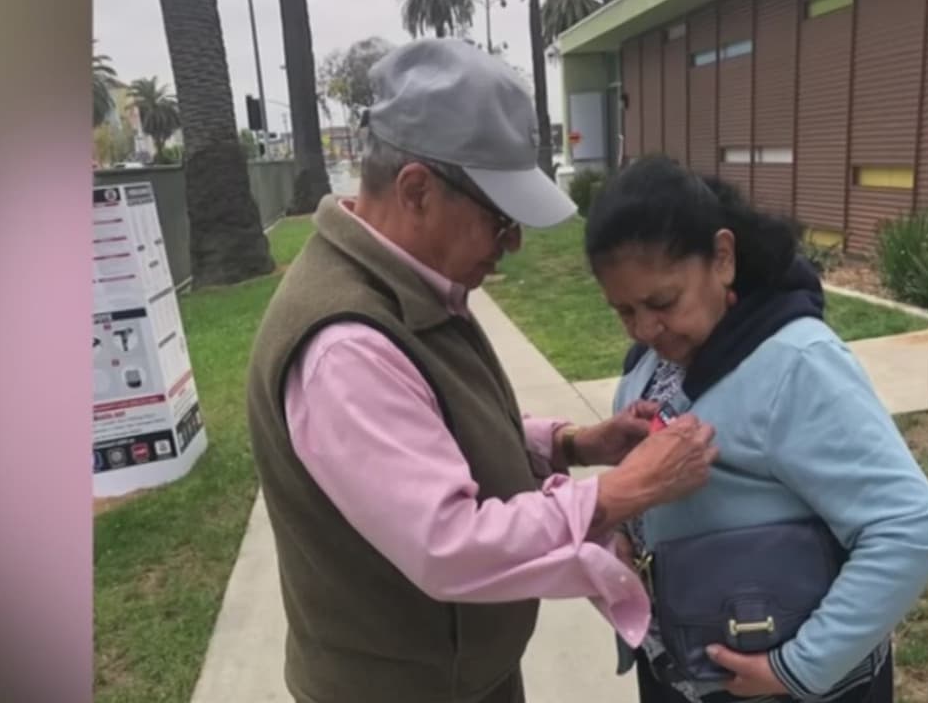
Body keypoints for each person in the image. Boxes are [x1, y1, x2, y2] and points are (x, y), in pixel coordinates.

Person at [246, 40, 718, 703]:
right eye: (500, 219)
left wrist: (568, 444)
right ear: (416, 191)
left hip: (461, 676)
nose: (513, 244)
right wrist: (619, 492)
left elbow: (426, 426)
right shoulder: (345, 348)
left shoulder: (406, 285)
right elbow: (450, 545)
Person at [584, 157, 928, 703]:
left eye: (662, 302)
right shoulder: (644, 370)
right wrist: (625, 535)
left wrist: (799, 668)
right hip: (676, 671)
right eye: (623, 311)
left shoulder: (797, 364)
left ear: (722, 258)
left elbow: (910, 526)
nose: (646, 328)